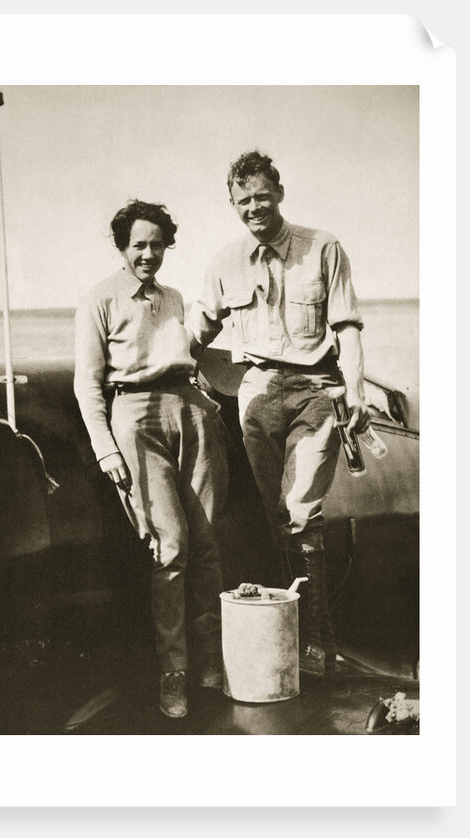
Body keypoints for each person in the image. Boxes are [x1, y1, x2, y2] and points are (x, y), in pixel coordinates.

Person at [187, 151, 370, 676]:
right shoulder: (224, 263)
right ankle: (292, 632)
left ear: (280, 194)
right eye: (242, 200)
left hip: (317, 390)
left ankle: (318, 641)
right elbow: (199, 328)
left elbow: (348, 326)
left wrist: (354, 387)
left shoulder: (322, 247)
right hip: (258, 394)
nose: (253, 207)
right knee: (276, 519)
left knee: (300, 509)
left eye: (262, 196)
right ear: (232, 205)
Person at [74, 199, 229, 718]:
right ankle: (174, 673)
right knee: (170, 548)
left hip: (191, 412)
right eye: (139, 244)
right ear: (122, 248)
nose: (148, 253)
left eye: (157, 244)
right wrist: (105, 448)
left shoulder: (176, 298)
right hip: (135, 418)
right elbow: (87, 384)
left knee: (207, 544)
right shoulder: (98, 300)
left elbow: (184, 352)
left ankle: (212, 661)